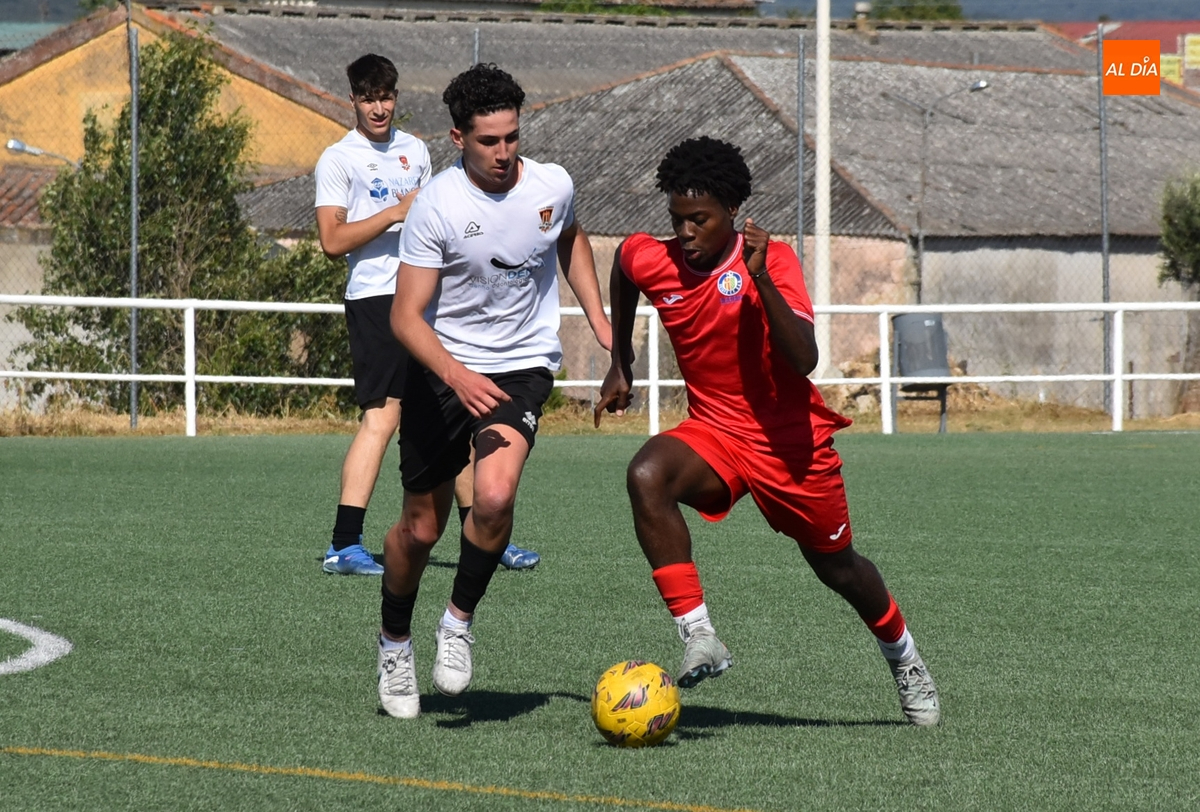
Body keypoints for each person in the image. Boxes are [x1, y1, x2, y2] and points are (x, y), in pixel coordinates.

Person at [594, 136, 940, 727]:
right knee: (647, 474)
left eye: (699, 220)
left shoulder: (772, 260)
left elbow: (805, 359)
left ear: (733, 211)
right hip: (715, 432)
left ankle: (903, 657)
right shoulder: (652, 256)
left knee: (838, 568)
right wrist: (620, 359)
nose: (685, 232)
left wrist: (759, 280)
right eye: (677, 219)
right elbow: (625, 268)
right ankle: (699, 635)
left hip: (790, 445)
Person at [375, 63, 612, 718]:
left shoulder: (553, 184)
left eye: (512, 137)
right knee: (420, 530)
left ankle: (457, 621)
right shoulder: (437, 206)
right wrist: (456, 375)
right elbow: (405, 317)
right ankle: (394, 642)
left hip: (521, 365)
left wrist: (598, 319)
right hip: (441, 368)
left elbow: (569, 239)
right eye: (488, 141)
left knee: (496, 494)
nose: (504, 152)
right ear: (458, 138)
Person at [315, 54, 541, 577]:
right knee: (383, 416)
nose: (378, 108)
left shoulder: (415, 150)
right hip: (377, 298)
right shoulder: (339, 159)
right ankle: (343, 543)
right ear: (352, 100)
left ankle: (484, 535)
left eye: (386, 97)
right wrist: (395, 212)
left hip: (428, 300)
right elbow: (331, 240)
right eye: (368, 98)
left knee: (454, 414)